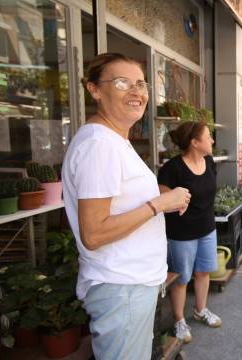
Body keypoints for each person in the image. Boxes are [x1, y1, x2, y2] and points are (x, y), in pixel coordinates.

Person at [62, 53, 190, 359]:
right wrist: (158, 204)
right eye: (122, 83)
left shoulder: (113, 140)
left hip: (129, 286)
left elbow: (117, 197)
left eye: (141, 84)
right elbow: (93, 233)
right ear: (94, 89)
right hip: (122, 287)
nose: (136, 92)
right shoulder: (100, 144)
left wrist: (159, 194)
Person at [157, 120, 222, 343]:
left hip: (207, 228)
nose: (212, 140)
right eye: (208, 136)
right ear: (194, 142)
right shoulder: (172, 168)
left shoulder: (210, 162)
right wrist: (174, 200)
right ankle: (178, 320)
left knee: (204, 272)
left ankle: (200, 310)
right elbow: (162, 197)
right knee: (182, 278)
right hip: (181, 233)